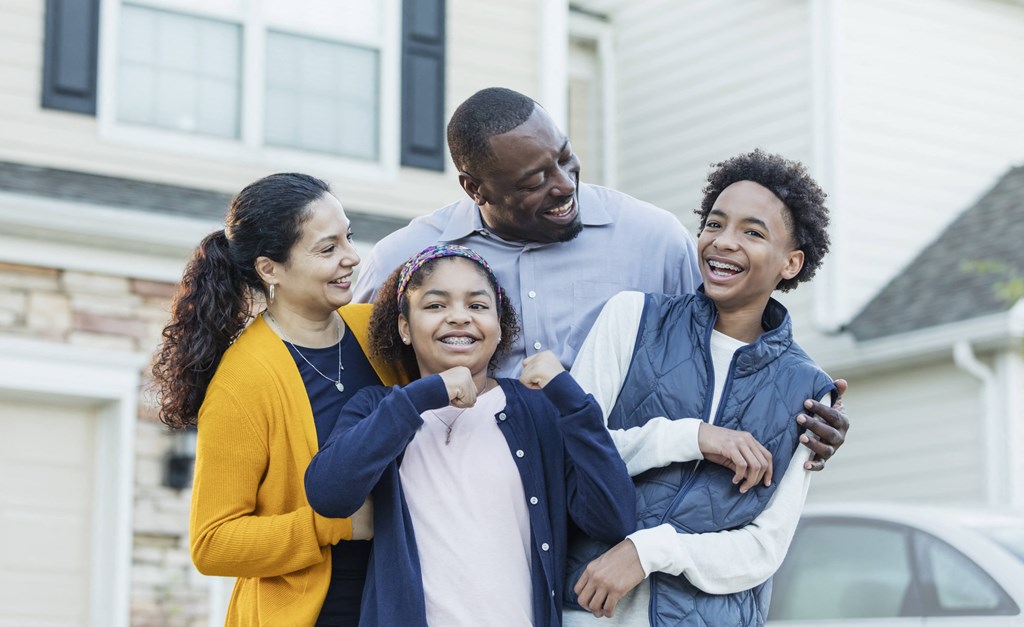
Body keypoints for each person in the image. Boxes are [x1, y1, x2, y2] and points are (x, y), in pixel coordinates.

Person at [352, 86, 848, 472]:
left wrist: (796, 413)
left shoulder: (651, 238)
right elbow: (350, 384)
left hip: (613, 507)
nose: (565, 185)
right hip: (468, 508)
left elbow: (726, 346)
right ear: (475, 188)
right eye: (534, 181)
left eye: (564, 157)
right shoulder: (406, 259)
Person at [564, 149, 837, 626]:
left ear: (790, 263)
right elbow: (570, 457)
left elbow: (762, 547)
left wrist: (649, 551)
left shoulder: (809, 390)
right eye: (715, 224)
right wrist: (692, 437)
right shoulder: (630, 318)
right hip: (590, 614)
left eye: (752, 232)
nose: (723, 242)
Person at [304, 245, 636, 627]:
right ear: (404, 328)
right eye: (435, 306)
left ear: (499, 328)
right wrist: (422, 396)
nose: (459, 317)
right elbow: (328, 494)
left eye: (478, 306)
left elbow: (614, 519)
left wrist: (573, 402)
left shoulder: (538, 409)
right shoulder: (379, 408)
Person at [150, 173, 407, 626]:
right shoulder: (244, 380)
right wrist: (334, 526)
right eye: (327, 249)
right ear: (270, 269)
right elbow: (213, 542)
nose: (351, 258)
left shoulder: (377, 330)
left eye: (348, 238)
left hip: (399, 600)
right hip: (314, 614)